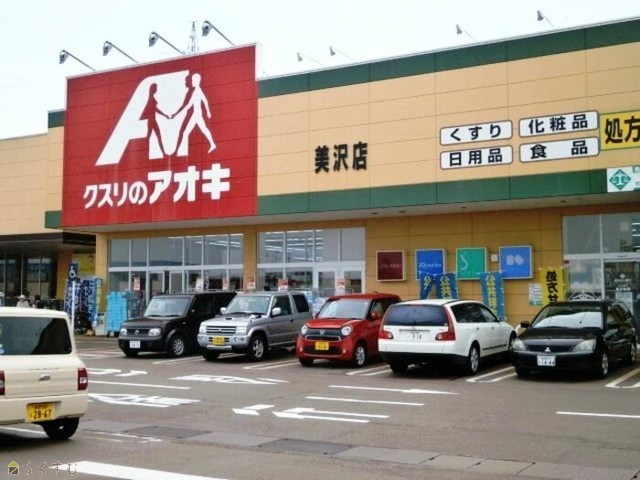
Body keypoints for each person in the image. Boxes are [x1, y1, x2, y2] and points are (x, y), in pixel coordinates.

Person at [173, 73, 216, 154]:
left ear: (197, 81)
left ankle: (179, 151)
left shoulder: (198, 91)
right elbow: (189, 104)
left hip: (197, 115)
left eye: (192, 80)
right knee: (201, 130)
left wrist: (208, 112)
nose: (191, 82)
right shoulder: (196, 91)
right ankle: (212, 144)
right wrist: (177, 114)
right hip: (196, 115)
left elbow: (205, 101)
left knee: (187, 132)